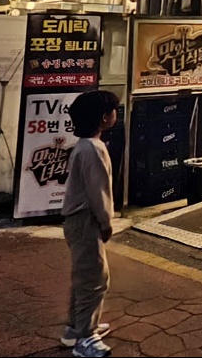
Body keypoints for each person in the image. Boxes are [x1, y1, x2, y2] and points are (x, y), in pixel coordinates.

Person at [60, 90, 119, 358]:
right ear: (104, 117)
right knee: (95, 279)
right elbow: (99, 193)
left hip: (76, 220)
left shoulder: (83, 146)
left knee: (83, 277)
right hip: (86, 221)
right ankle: (86, 337)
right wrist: (106, 223)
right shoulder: (94, 149)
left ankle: (75, 329)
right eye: (113, 110)